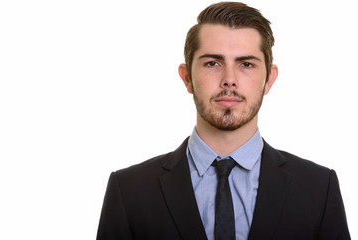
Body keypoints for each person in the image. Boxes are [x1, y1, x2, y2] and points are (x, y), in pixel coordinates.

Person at [96, 2, 350, 240]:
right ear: (187, 78)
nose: (229, 79)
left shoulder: (319, 188)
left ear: (269, 80)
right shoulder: (129, 191)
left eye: (246, 64)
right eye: (212, 63)